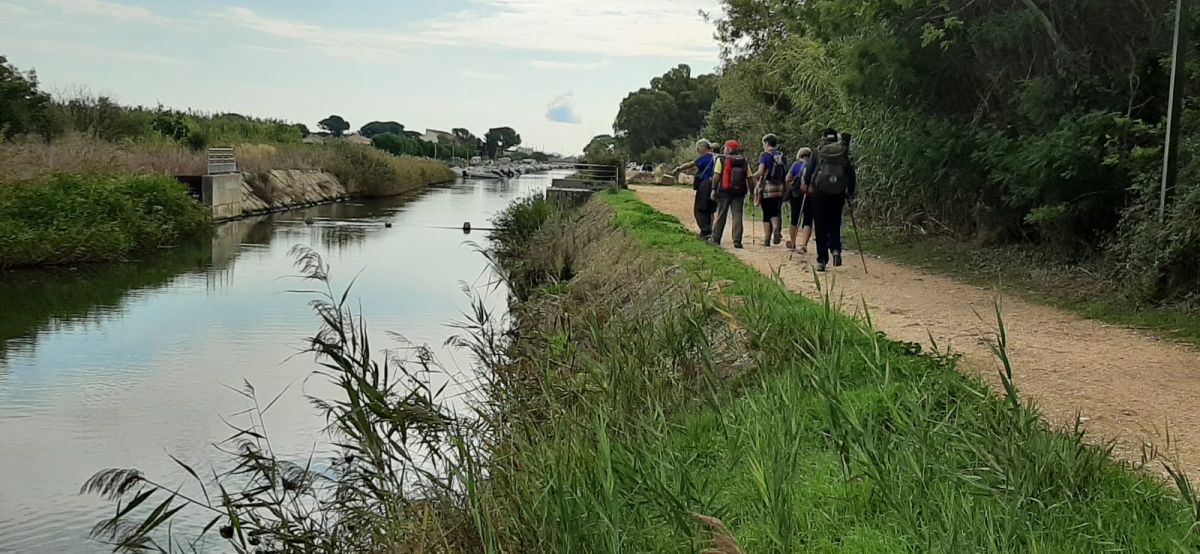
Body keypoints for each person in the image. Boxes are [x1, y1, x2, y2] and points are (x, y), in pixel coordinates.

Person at [803, 128, 857, 272]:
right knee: (835, 221)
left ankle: (821, 260)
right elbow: (851, 173)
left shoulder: (818, 151)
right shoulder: (842, 151)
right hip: (838, 193)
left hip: (820, 193)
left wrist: (807, 183)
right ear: (836, 138)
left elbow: (808, 173)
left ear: (823, 138)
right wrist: (850, 191)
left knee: (820, 225)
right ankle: (836, 249)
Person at [672, 139, 717, 241]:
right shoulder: (717, 157)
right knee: (710, 209)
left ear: (703, 147)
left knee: (700, 208)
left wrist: (678, 169)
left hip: (705, 184)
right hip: (715, 185)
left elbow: (690, 164)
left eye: (698, 148)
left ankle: (705, 231)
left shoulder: (706, 157)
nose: (697, 150)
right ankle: (711, 230)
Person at [710, 140, 750, 249]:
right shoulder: (743, 160)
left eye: (725, 148)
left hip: (724, 191)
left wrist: (713, 188)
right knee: (737, 215)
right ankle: (737, 240)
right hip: (739, 192)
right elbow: (750, 177)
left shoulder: (721, 159)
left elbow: (717, 175)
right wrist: (751, 191)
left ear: (728, 149)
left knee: (721, 214)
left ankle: (716, 238)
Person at [751, 134, 788, 247]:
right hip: (779, 188)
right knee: (775, 211)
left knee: (766, 213)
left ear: (767, 143)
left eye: (763, 144)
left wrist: (753, 176)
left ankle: (767, 239)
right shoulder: (781, 155)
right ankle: (776, 228)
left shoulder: (764, 155)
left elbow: (760, 171)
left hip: (767, 188)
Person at [785, 147, 814, 253]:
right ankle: (804, 245)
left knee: (794, 219)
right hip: (810, 194)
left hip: (797, 195)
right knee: (808, 220)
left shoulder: (796, 164)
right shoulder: (813, 165)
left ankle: (793, 242)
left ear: (800, 155)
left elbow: (788, 178)